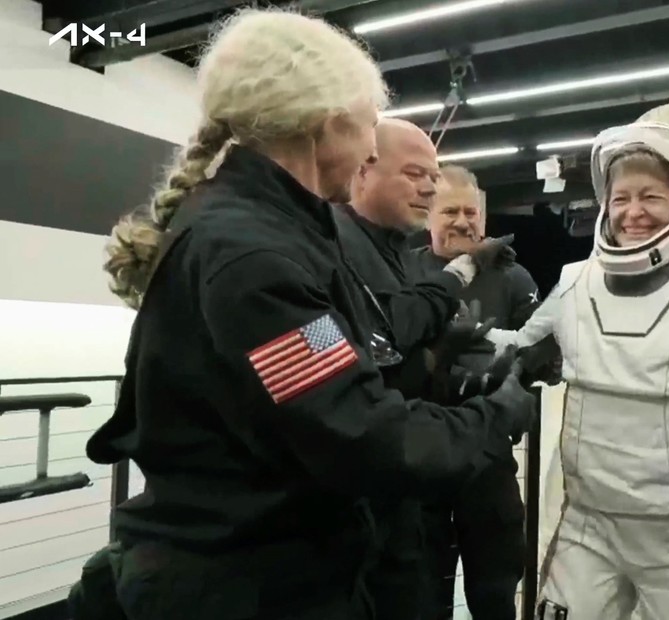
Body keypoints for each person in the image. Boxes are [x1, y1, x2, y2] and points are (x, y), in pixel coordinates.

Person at [77, 9, 535, 620]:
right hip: (242, 588)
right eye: (371, 123)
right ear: (328, 122)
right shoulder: (254, 254)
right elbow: (358, 434)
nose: (373, 145)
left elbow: (333, 369)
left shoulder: (279, 233)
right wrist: (495, 415)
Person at [487, 121, 669, 620]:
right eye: (620, 198)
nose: (632, 212)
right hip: (587, 524)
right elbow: (521, 347)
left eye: (651, 197)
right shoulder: (573, 282)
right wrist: (466, 340)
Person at [336, 118, 515, 620]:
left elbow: (392, 342)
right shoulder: (344, 250)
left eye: (432, 177)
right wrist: (439, 357)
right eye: (416, 175)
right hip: (404, 460)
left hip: (464, 458)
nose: (429, 187)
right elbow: (389, 339)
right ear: (363, 169)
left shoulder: (387, 251)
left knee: (492, 584)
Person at [411, 164, 539, 620]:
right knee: (423, 589)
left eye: (471, 211)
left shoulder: (514, 279)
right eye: (450, 211)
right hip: (420, 453)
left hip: (487, 457)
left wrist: (512, 373)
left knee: (497, 584)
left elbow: (538, 351)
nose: (463, 221)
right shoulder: (407, 276)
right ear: (428, 216)